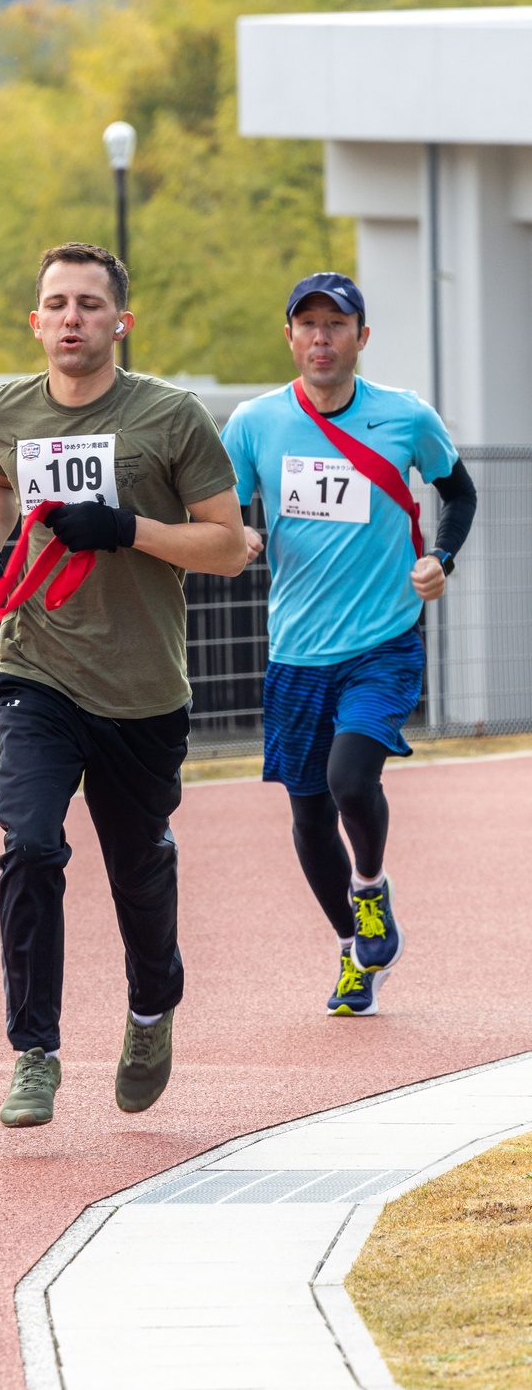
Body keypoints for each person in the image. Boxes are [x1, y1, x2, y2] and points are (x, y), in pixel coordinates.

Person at [0, 242, 247, 1127]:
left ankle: (152, 1007)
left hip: (142, 688)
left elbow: (229, 546)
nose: (72, 317)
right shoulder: (5, 407)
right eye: (57, 303)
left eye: (90, 303)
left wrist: (126, 527)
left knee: (137, 872)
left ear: (121, 320)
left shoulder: (170, 417)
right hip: (35, 667)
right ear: (35, 321)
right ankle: (34, 1052)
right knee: (31, 846)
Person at [221, 272, 477, 1017]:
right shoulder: (254, 423)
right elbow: (225, 506)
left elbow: (457, 491)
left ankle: (370, 885)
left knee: (350, 781)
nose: (322, 338)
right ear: (290, 336)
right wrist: (239, 532)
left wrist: (442, 560)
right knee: (305, 815)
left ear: (361, 338)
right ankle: (351, 947)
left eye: (338, 325)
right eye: (309, 324)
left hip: (382, 642)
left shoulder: (404, 416)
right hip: (298, 651)